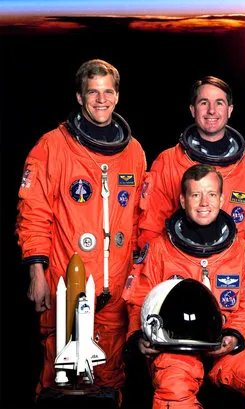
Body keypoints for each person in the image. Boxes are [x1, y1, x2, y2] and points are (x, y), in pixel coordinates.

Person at [16, 59, 147, 402]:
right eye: (93, 92)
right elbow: (33, 212)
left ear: (117, 96)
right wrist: (36, 273)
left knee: (108, 381)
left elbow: (138, 221)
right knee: (59, 380)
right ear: (79, 96)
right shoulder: (52, 147)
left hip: (115, 288)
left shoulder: (133, 152)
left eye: (108, 92)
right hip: (66, 284)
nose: (101, 99)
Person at [124, 163, 245, 409]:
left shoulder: (242, 252)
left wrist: (235, 336)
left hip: (224, 346)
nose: (204, 202)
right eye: (196, 195)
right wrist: (138, 336)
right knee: (174, 387)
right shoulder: (160, 249)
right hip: (175, 349)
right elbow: (139, 297)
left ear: (222, 199)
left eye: (211, 194)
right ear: (183, 200)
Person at [137, 75, 245, 248]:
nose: (211, 110)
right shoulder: (169, 161)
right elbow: (151, 228)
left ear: (230, 110)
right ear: (193, 110)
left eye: (219, 103)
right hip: (179, 266)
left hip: (234, 269)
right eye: (204, 103)